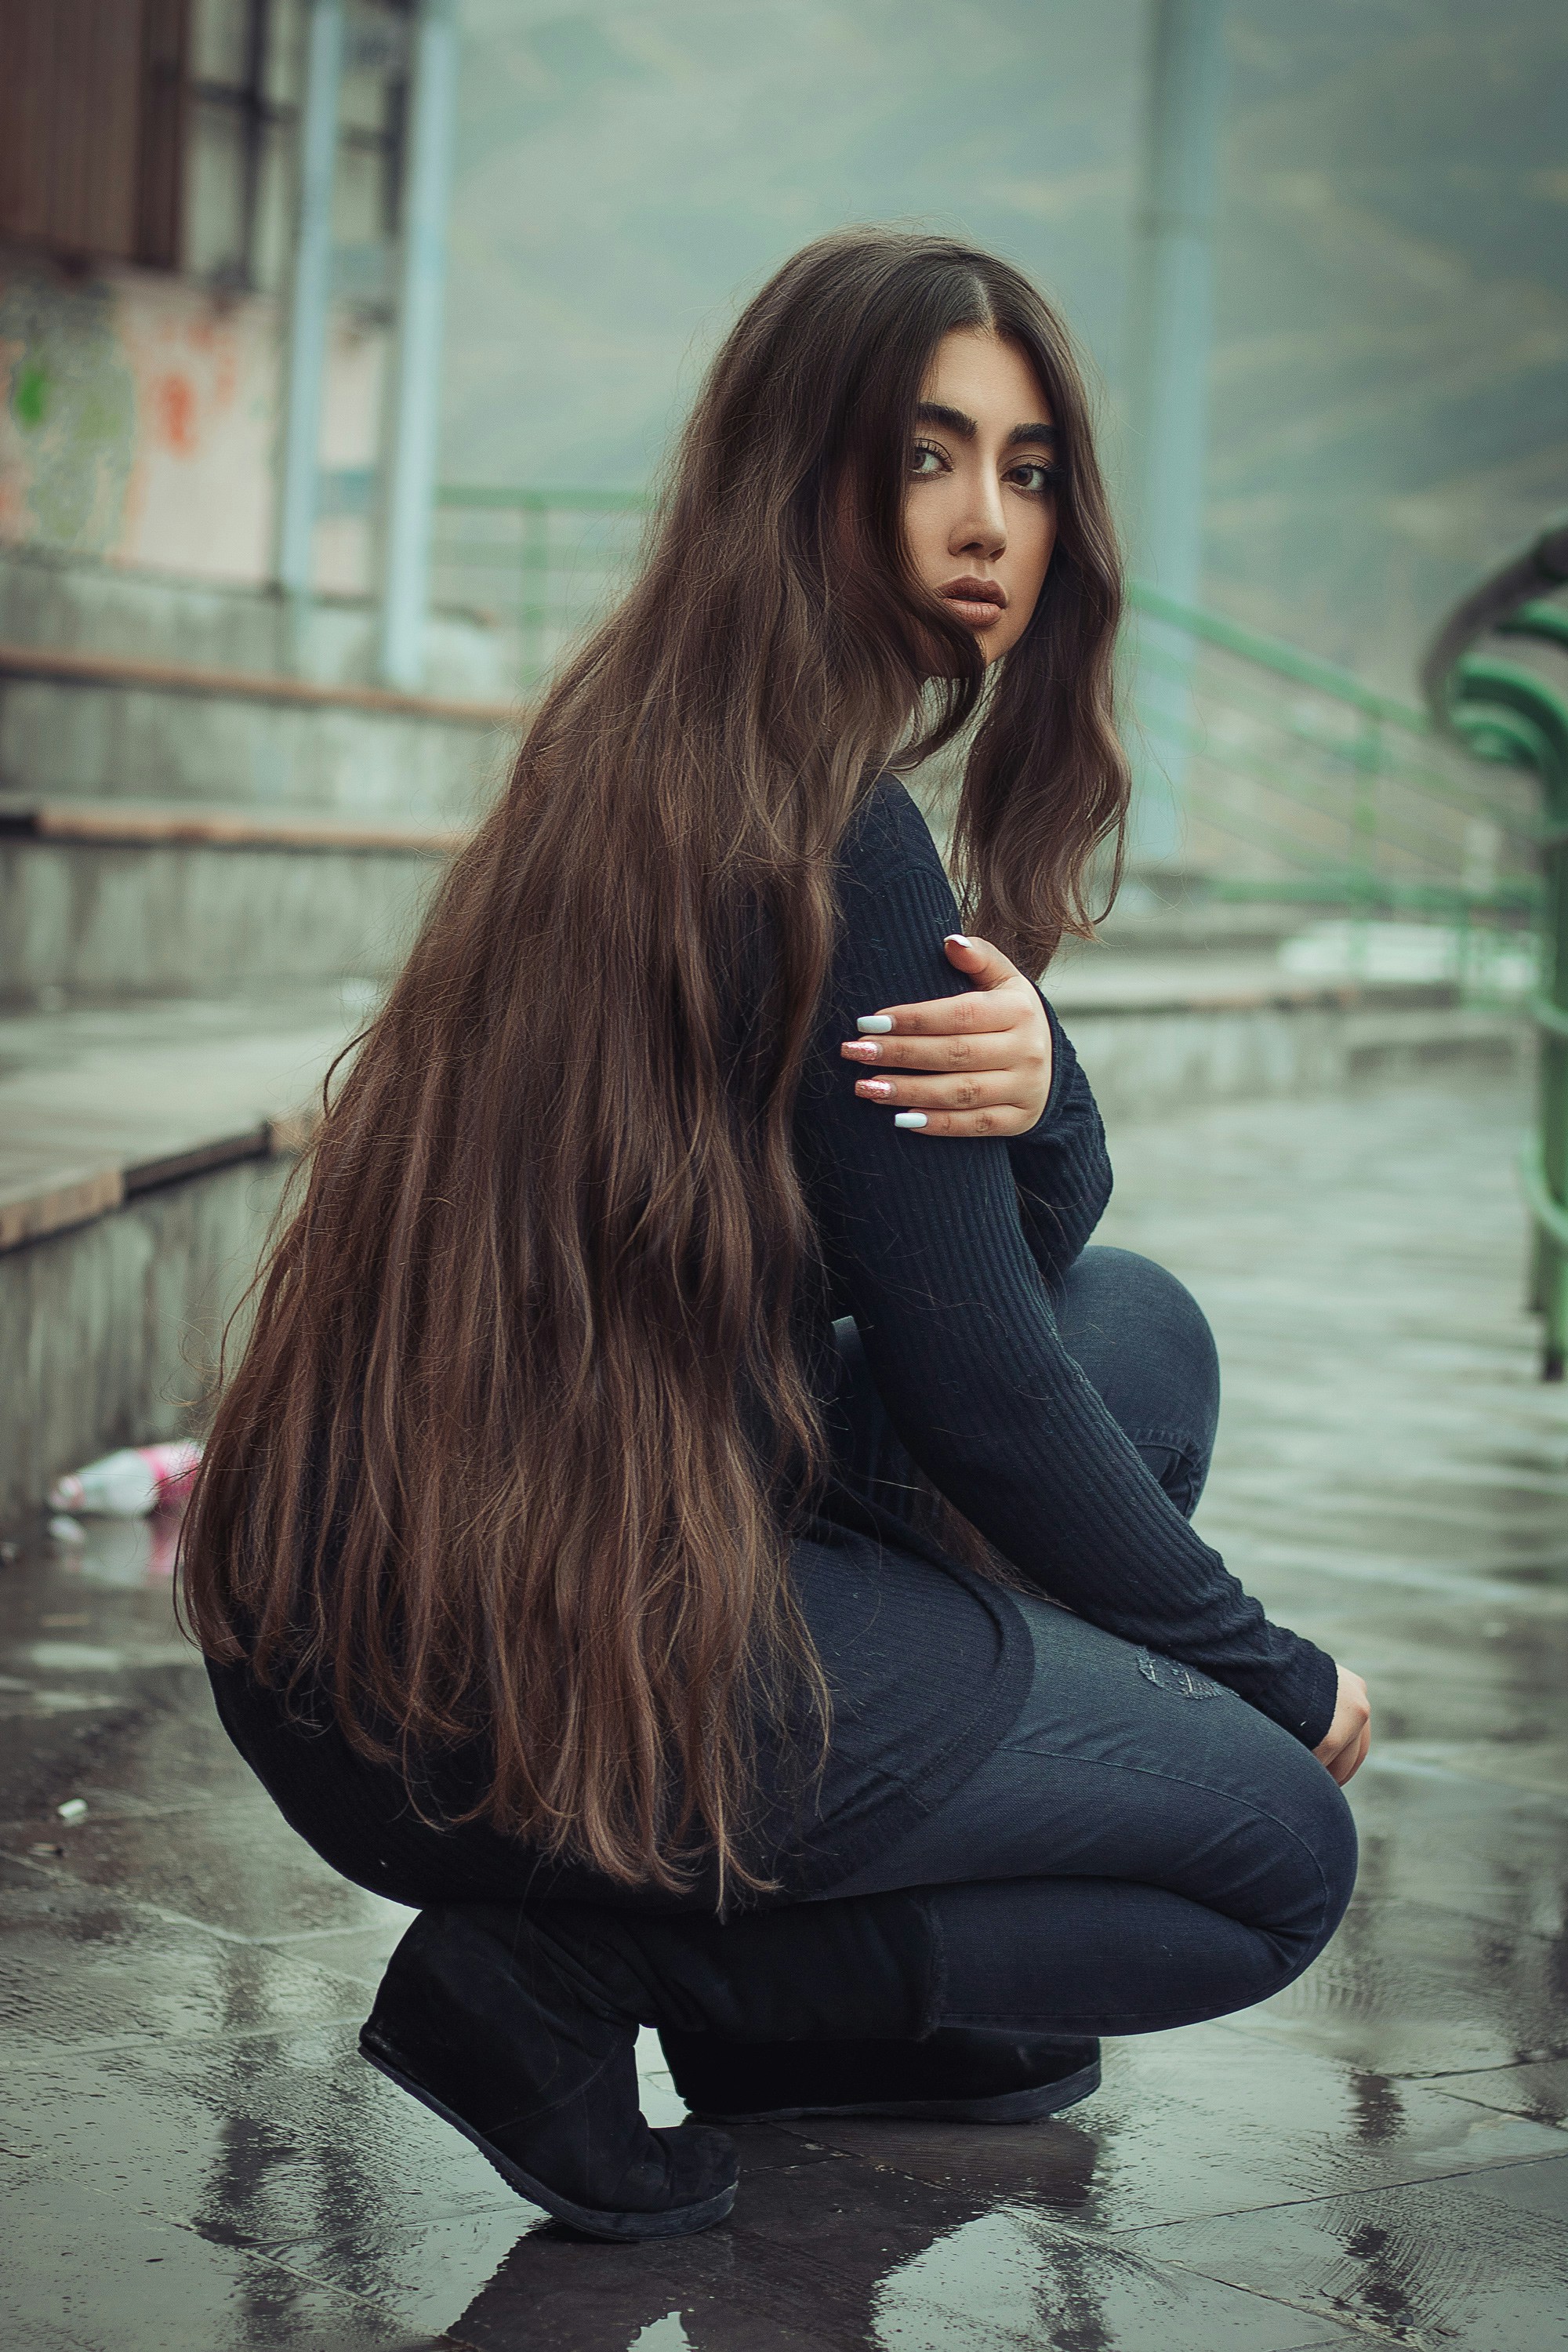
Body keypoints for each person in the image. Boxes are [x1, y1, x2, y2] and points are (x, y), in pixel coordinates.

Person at [180, 230, 1370, 2245]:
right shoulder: (828, 825)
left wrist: (1040, 1069)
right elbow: (982, 1394)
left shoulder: (657, 733)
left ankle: (810, 1986)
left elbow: (1014, 1246)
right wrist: (1270, 1671)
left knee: (1141, 1332)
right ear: (796, 470)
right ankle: (585, 1978)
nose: (986, 521)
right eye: (923, 459)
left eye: (1025, 467)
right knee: (1267, 1854)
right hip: (514, 1670)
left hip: (403, 1610)